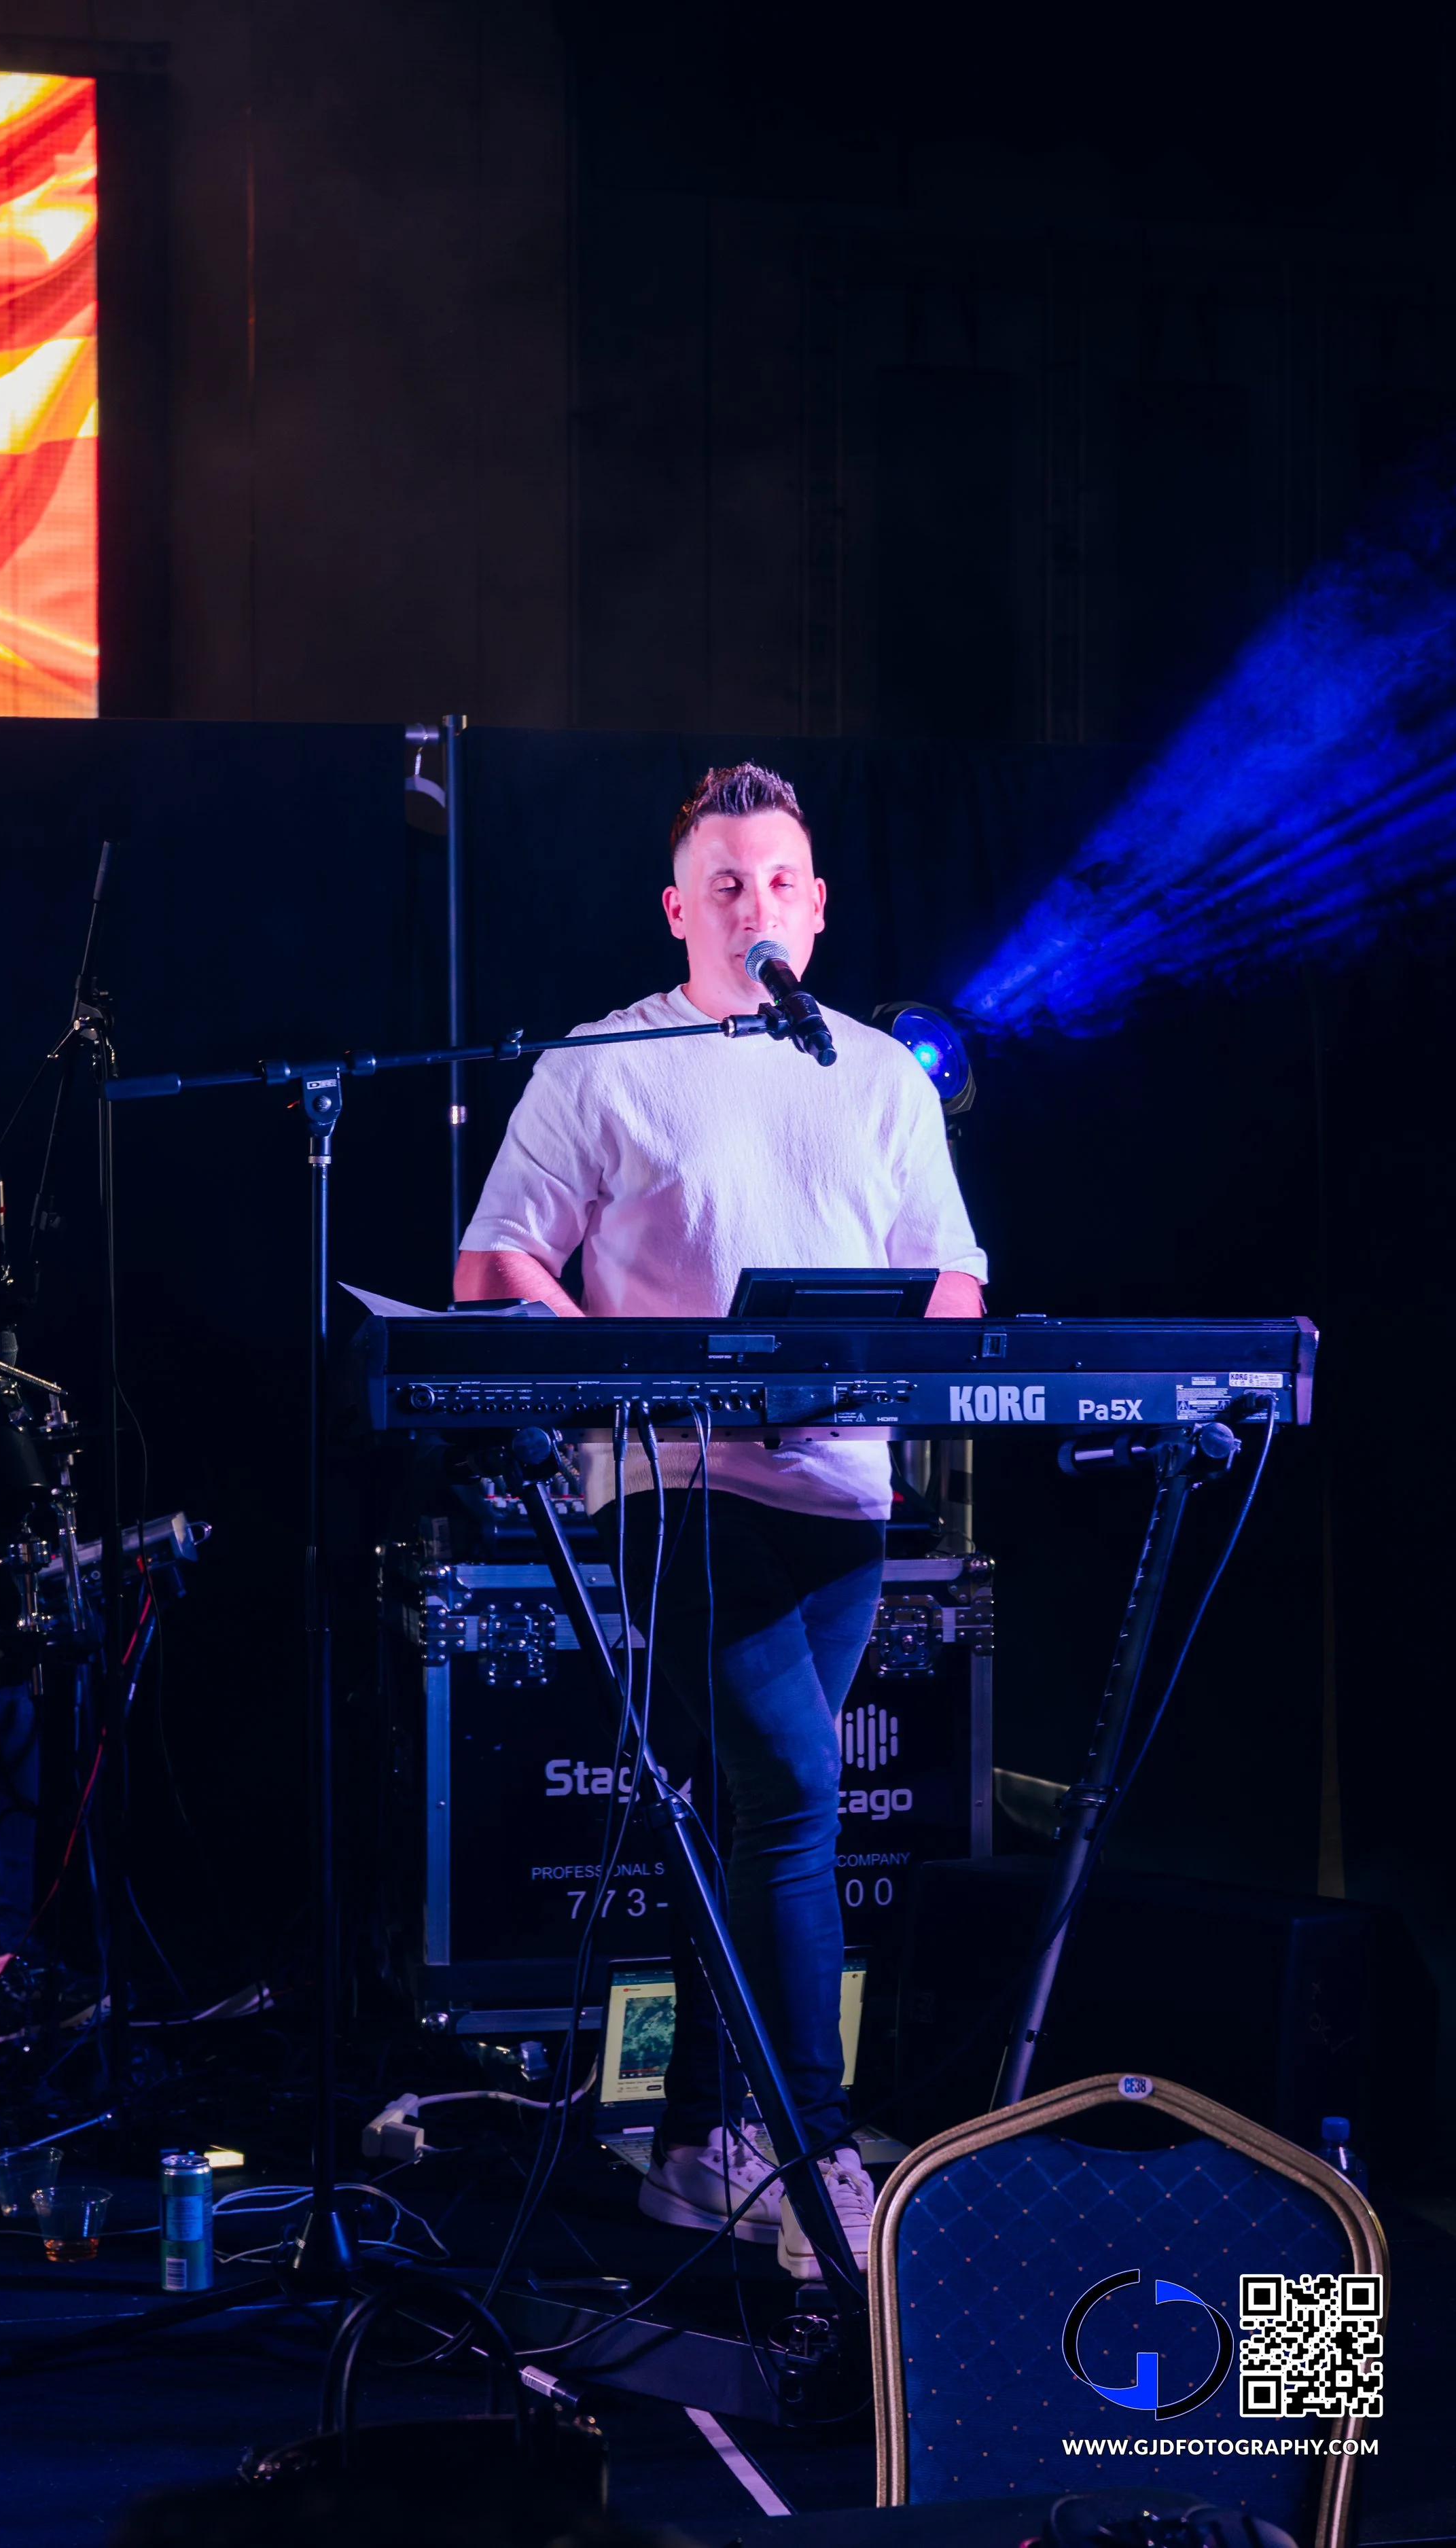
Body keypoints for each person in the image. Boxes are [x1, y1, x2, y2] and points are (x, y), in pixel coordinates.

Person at [454, 762, 986, 2275]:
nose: (755, 907)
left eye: (779, 884)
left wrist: (902, 1358)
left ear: (815, 910)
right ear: (679, 908)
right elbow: (497, 1265)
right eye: (726, 885)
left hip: (843, 1493)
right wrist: (632, 1375)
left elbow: (948, 1274)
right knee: (797, 1798)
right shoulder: (599, 1065)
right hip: (678, 1490)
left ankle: (694, 2137)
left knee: (736, 1819)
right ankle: (812, 2154)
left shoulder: (878, 1073)